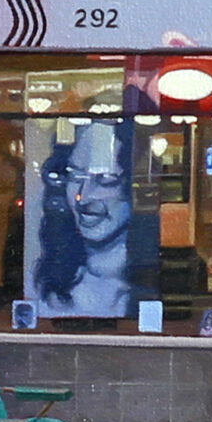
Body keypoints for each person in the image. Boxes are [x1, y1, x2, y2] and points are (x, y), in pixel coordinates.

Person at [27, 121, 133, 320]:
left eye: (105, 179)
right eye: (75, 176)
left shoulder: (145, 281)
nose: (83, 197)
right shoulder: (47, 279)